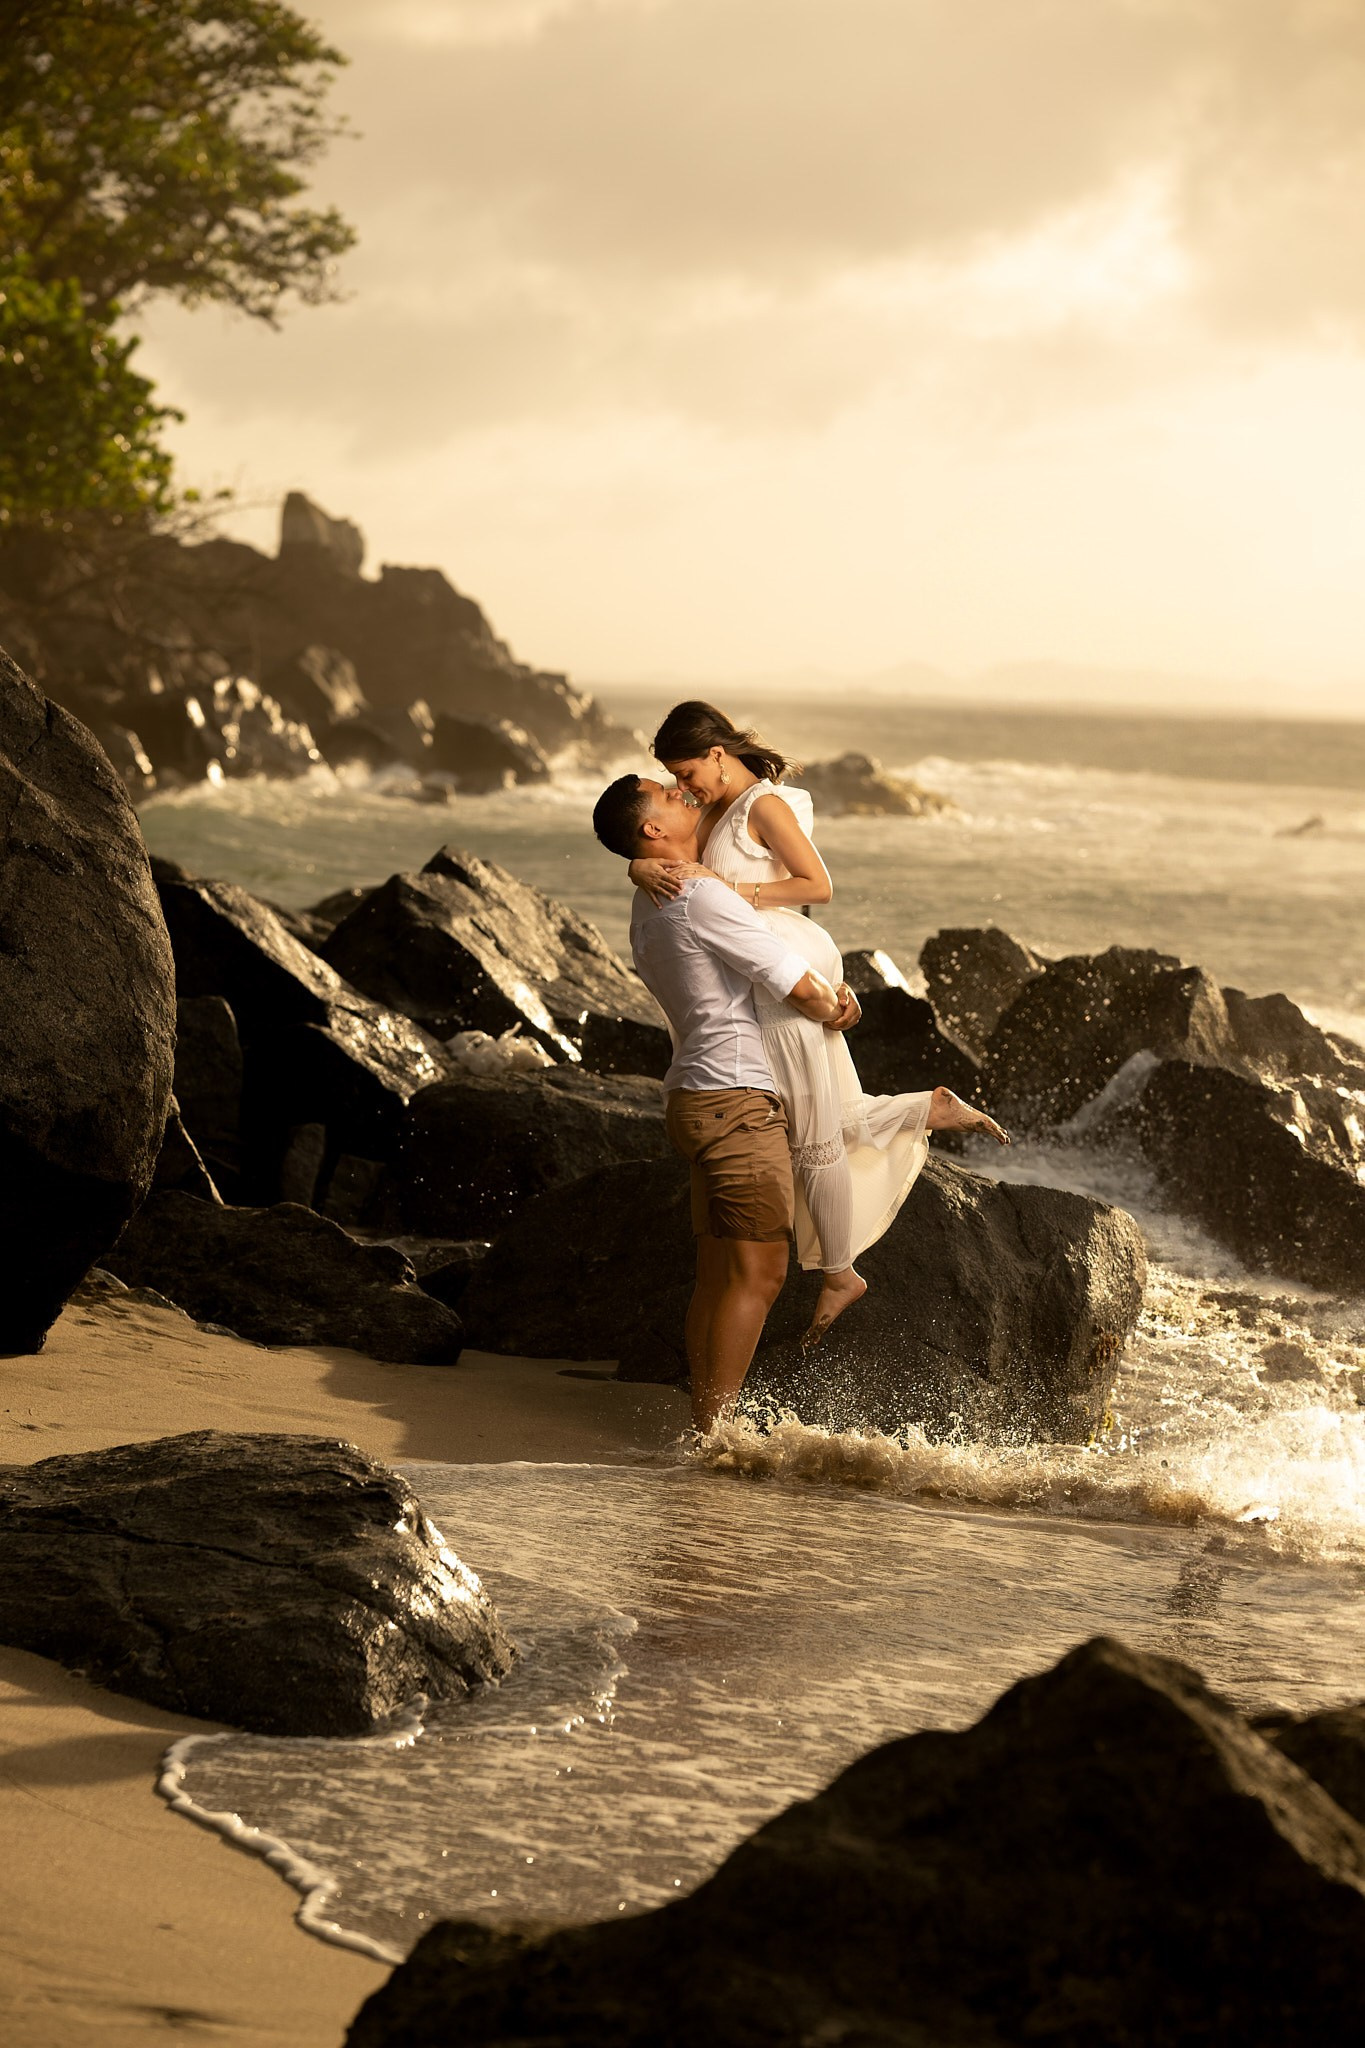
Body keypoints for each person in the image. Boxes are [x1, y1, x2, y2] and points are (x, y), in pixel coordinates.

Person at [629, 699, 1010, 1345]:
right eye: (673, 777)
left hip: (778, 971)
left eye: (685, 772)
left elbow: (816, 885)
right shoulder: (710, 806)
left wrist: (730, 894)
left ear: (717, 754)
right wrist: (638, 865)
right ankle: (925, 1109)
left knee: (811, 1133)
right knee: (805, 1117)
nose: (681, 786)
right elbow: (658, 840)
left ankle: (840, 1272)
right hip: (758, 973)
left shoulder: (763, 806)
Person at [592, 772, 858, 1432]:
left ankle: (705, 1422)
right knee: (759, 1274)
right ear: (653, 830)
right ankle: (717, 1434)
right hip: (735, 1101)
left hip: (693, 1097)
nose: (680, 791)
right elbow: (791, 982)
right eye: (667, 793)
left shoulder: (647, 901)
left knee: (716, 1276)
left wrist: (637, 865)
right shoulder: (699, 895)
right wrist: (836, 1006)